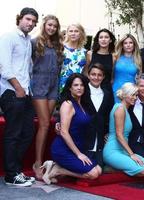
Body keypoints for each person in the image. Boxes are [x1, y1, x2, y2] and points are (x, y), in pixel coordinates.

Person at [0, 7, 38, 187]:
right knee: (13, 134)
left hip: (25, 93)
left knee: (28, 132)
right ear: (20, 19)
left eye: (33, 21)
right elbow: (4, 66)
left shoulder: (28, 40)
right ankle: (11, 175)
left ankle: (15, 170)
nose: (30, 24)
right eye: (28, 19)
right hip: (11, 91)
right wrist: (18, 88)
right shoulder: (8, 37)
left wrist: (26, 90)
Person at [41, 73, 101, 184]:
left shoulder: (84, 103)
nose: (79, 88)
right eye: (75, 85)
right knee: (93, 174)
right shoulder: (68, 104)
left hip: (77, 147)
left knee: (99, 170)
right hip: (64, 149)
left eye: (81, 85)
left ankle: (56, 167)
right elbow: (64, 132)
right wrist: (79, 154)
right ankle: (58, 170)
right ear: (70, 88)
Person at [31, 14, 64, 180]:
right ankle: (37, 163)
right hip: (38, 84)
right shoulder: (35, 42)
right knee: (44, 124)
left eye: (55, 26)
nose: (52, 28)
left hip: (53, 86)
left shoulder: (58, 45)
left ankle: (43, 162)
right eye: (49, 25)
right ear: (44, 25)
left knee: (46, 124)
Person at [103, 83, 144, 176]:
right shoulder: (120, 109)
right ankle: (111, 167)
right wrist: (132, 154)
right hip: (113, 151)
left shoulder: (126, 109)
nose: (135, 97)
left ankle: (116, 168)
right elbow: (119, 135)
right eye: (132, 95)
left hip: (123, 150)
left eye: (136, 95)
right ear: (125, 95)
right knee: (142, 171)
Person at [83, 63, 114, 168]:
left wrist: (108, 132)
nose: (96, 77)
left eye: (99, 75)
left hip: (100, 139)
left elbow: (109, 115)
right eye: (93, 74)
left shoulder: (107, 94)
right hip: (83, 139)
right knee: (89, 167)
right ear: (88, 75)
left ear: (103, 77)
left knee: (99, 166)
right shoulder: (82, 91)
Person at [84, 28, 116, 94]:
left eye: (106, 37)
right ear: (98, 40)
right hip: (91, 90)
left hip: (106, 90)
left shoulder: (113, 57)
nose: (103, 39)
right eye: (101, 37)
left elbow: (112, 77)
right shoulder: (90, 54)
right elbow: (86, 72)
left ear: (110, 40)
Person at [112, 34, 142, 103]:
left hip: (131, 93)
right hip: (116, 90)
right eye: (125, 43)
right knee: (117, 112)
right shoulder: (115, 57)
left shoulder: (138, 59)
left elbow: (139, 78)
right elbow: (111, 76)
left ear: (134, 44)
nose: (128, 45)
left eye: (130, 43)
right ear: (122, 45)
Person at [59, 23, 87, 93]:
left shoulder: (85, 52)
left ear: (81, 33)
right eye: (71, 31)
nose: (73, 33)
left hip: (78, 87)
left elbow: (85, 72)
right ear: (67, 33)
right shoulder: (60, 48)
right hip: (62, 84)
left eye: (76, 31)